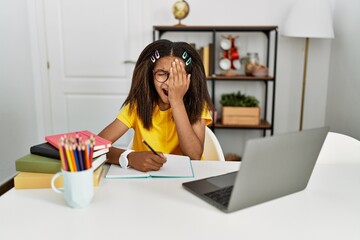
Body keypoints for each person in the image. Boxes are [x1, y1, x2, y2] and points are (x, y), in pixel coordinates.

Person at [98, 39, 214, 172]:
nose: (170, 83)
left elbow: (194, 155)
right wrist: (128, 157)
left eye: (178, 76)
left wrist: (176, 100)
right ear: (151, 76)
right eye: (161, 74)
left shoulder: (197, 104)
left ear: (189, 79)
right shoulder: (137, 106)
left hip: (186, 177)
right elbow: (95, 148)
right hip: (146, 182)